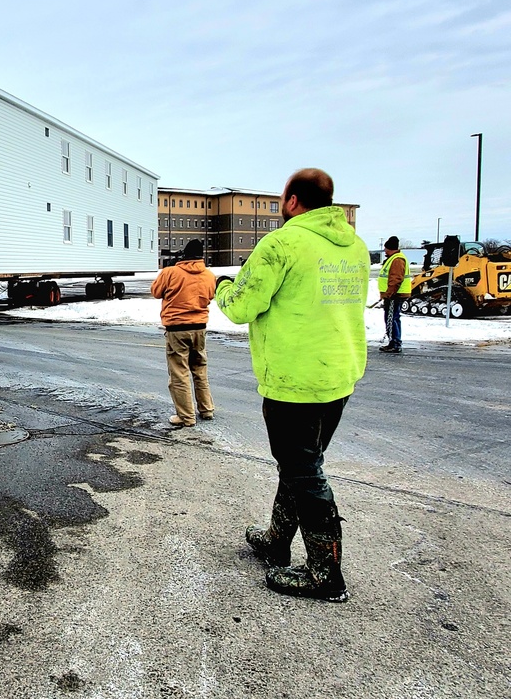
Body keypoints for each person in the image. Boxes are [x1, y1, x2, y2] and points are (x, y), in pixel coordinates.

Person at [215, 168, 368, 602]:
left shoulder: (280, 244)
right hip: (338, 374)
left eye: (282, 198)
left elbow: (243, 306)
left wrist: (222, 286)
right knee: (303, 466)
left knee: (304, 472)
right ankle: (278, 539)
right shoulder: (354, 247)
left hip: (293, 382)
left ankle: (325, 572)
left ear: (294, 201)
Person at [151, 239, 216, 428]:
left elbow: (156, 292)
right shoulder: (209, 275)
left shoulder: (170, 272)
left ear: (184, 255)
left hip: (177, 329)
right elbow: (210, 296)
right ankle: (206, 409)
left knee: (179, 373)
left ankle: (186, 417)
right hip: (200, 328)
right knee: (199, 368)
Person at [378, 236, 410, 353]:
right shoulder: (395, 258)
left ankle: (395, 343)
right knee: (393, 318)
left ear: (390, 248)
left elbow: (396, 279)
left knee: (392, 318)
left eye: (386, 248)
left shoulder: (397, 260)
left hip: (395, 295)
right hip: (394, 294)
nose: (385, 251)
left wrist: (389, 294)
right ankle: (394, 341)